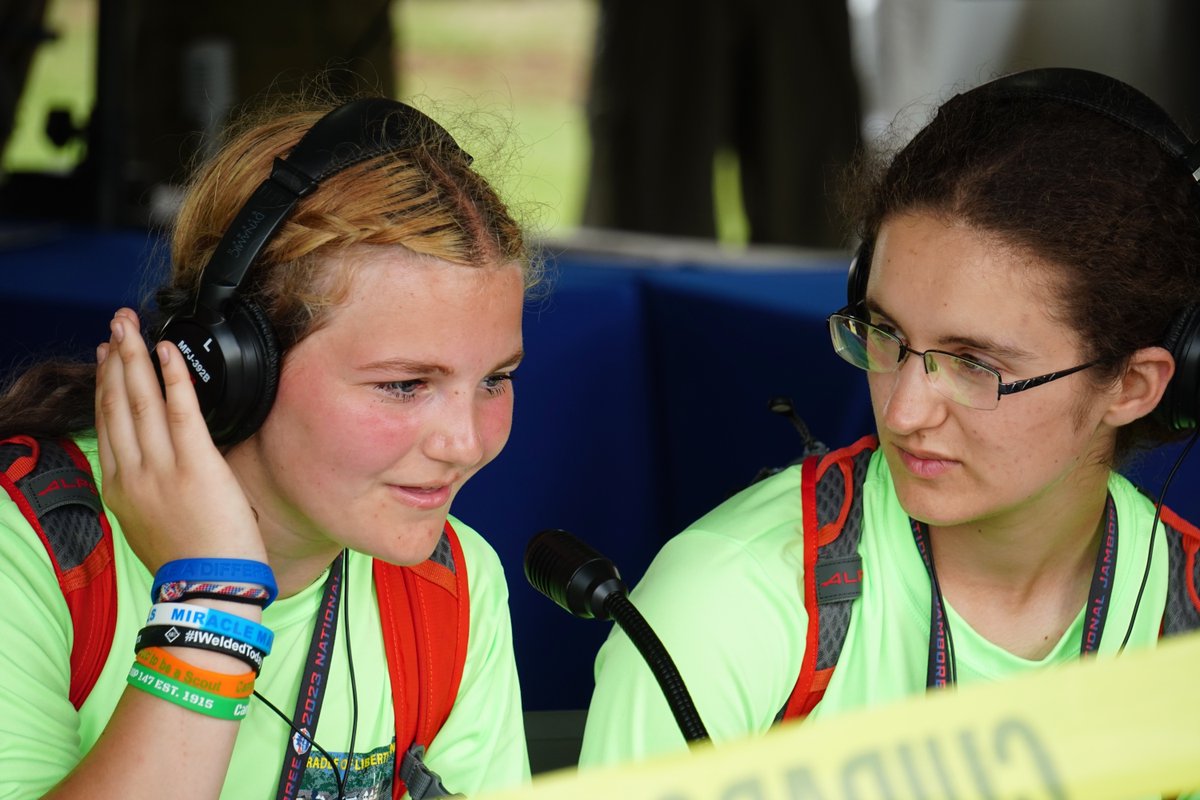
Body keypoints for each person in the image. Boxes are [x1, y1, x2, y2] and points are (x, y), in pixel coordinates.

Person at [579, 67, 1200, 767]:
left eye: (975, 364)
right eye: (885, 333)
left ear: (1133, 386)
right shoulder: (722, 600)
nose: (903, 411)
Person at [0, 90, 536, 799]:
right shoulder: (28, 554)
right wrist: (210, 603)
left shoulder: (456, 588)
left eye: (495, 379)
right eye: (404, 385)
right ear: (228, 368)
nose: (466, 443)